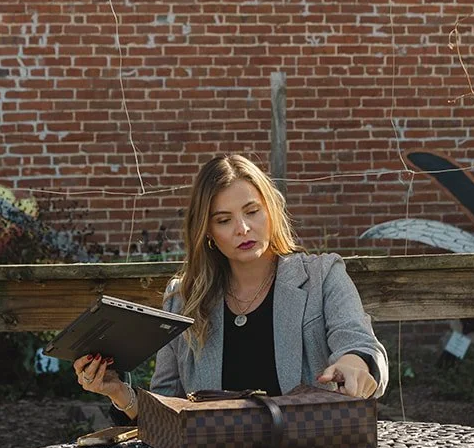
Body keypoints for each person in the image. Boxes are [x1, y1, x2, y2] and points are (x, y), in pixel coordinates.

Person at [74, 152, 388, 420]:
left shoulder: (322, 275)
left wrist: (355, 363)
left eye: (252, 211)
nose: (243, 228)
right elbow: (166, 410)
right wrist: (117, 392)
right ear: (207, 231)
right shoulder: (183, 299)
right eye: (224, 220)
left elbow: (358, 341)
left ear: (271, 210)